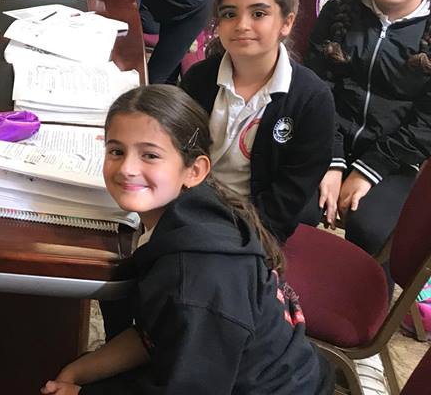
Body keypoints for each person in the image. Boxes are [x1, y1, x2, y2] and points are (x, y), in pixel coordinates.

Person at [41, 85, 333, 395]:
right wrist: (77, 372)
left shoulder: (195, 282)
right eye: (117, 151)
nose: (127, 168)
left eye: (150, 155)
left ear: (194, 171)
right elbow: (155, 335)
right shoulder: (187, 216)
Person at [181, 0, 334, 242]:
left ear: (286, 23)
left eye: (259, 14)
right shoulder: (198, 78)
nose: (242, 25)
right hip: (188, 205)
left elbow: (288, 197)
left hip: (255, 227)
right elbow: (176, 151)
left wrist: (233, 234)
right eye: (229, 14)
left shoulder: (312, 99)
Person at [305, 0, 431, 260]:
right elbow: (317, 90)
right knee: (296, 205)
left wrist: (367, 171)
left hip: (397, 157)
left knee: (373, 228)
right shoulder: (337, 15)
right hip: (325, 137)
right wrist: (332, 161)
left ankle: (369, 291)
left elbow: (426, 124)